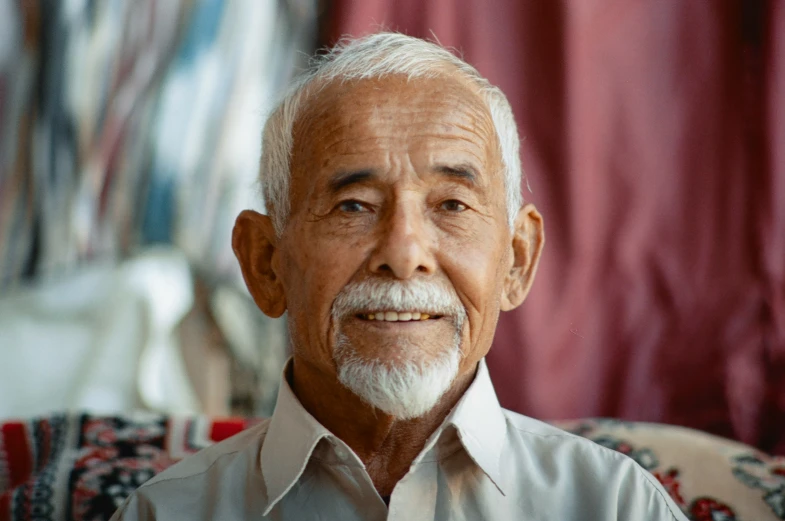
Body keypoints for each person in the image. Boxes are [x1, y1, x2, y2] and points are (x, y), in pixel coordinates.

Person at [111, 33, 687, 520]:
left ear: (516, 260)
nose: (404, 253)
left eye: (452, 205)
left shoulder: (614, 504)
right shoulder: (165, 512)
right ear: (266, 264)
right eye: (353, 205)